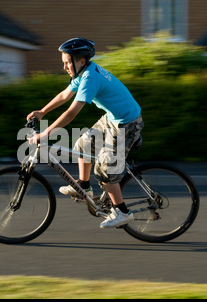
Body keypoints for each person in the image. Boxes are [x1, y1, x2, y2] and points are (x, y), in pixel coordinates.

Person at [27, 37, 144, 229]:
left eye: (67, 62)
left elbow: (71, 112)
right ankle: (84, 187)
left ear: (80, 61)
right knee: (83, 144)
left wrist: (45, 133)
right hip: (113, 118)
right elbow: (64, 95)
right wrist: (42, 112)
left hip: (127, 123)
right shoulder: (82, 73)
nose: (65, 67)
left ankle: (122, 212)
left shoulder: (90, 78)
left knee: (105, 170)